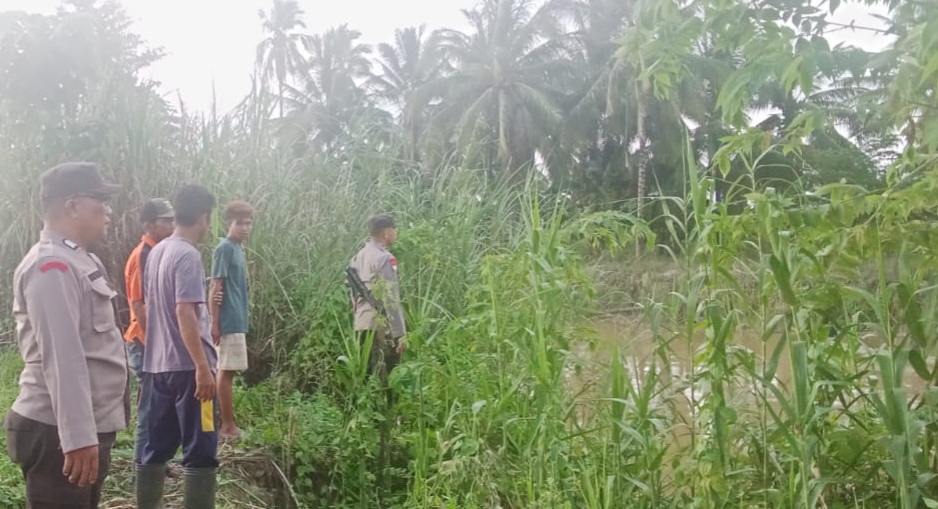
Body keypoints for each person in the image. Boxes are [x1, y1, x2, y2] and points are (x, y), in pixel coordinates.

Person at [4, 162, 128, 509]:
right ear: (72, 206)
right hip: (57, 430)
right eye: (100, 199)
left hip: (75, 428)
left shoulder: (79, 260)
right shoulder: (52, 267)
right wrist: (77, 437)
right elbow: (63, 357)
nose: (108, 209)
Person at [135, 184, 218, 509]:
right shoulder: (187, 254)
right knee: (201, 449)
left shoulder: (157, 251)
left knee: (154, 448)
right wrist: (202, 368)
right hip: (191, 373)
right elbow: (184, 310)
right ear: (203, 217)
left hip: (158, 366)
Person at [123, 198, 175, 469]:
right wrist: (155, 342)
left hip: (154, 343)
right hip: (144, 343)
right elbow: (137, 303)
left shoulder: (159, 251)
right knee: (149, 407)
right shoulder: (143, 254)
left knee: (160, 406)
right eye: (166, 220)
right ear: (149, 224)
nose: (171, 225)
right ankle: (142, 468)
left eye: (172, 220)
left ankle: (157, 461)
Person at [349, 214, 407, 406]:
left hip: (361, 324)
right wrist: (400, 334)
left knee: (366, 376)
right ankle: (390, 422)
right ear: (386, 232)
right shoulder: (384, 258)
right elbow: (391, 298)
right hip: (380, 326)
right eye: (394, 229)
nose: (395, 233)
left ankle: (366, 420)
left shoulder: (357, 258)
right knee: (389, 378)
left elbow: (353, 294)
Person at [210, 200, 254, 440]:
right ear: (230, 223)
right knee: (225, 371)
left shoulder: (238, 248)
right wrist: (214, 323)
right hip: (228, 320)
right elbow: (215, 286)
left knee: (229, 371)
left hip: (237, 318)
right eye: (241, 223)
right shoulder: (224, 248)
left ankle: (227, 422)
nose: (246, 228)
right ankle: (227, 426)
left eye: (249, 223)